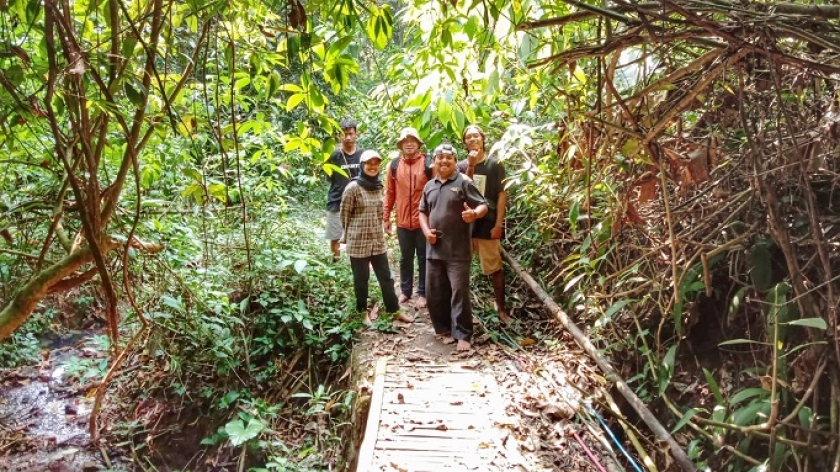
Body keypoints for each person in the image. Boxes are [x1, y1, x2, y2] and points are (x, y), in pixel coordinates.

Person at [419, 142, 488, 352]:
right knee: (435, 292)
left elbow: (483, 205)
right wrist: (426, 231)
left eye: (449, 158)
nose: (444, 161)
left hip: (458, 250)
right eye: (440, 158)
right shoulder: (429, 185)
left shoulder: (464, 182)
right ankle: (443, 329)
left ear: (455, 162)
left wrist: (474, 214)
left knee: (459, 292)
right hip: (434, 249)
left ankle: (463, 335)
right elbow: (422, 211)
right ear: (435, 161)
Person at [340, 150, 413, 324]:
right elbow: (344, 215)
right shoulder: (353, 188)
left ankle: (394, 310)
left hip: (377, 240)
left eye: (375, 163)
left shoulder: (379, 186)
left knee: (386, 278)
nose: (372, 167)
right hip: (358, 242)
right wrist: (348, 235)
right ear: (362, 165)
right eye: (369, 163)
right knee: (361, 280)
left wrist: (384, 227)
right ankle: (362, 313)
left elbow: (381, 211)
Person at [457, 124, 512, 324]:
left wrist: (499, 224)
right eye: (468, 137)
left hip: (487, 224)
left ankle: (501, 310)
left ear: (482, 139)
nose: (472, 139)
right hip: (465, 226)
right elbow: (463, 189)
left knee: (494, 268)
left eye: (475, 136)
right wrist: (470, 165)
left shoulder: (494, 165)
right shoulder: (461, 166)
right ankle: (461, 312)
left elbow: (501, 195)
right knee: (460, 268)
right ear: (464, 143)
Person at [383, 127, 432, 308]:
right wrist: (386, 217)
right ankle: (405, 291)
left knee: (424, 256)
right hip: (403, 221)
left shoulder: (428, 163)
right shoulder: (394, 165)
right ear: (401, 145)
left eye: (412, 140)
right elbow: (389, 192)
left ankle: (423, 293)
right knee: (405, 257)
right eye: (405, 141)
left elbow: (435, 190)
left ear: (418, 143)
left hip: (423, 220)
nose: (409, 144)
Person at [325, 119, 362, 262]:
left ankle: (354, 268)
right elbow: (330, 178)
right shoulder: (333, 156)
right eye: (344, 134)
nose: (347, 137)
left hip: (358, 204)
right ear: (339, 136)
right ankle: (337, 267)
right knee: (336, 237)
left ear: (356, 134)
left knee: (357, 238)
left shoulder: (362, 155)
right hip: (336, 202)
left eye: (350, 133)